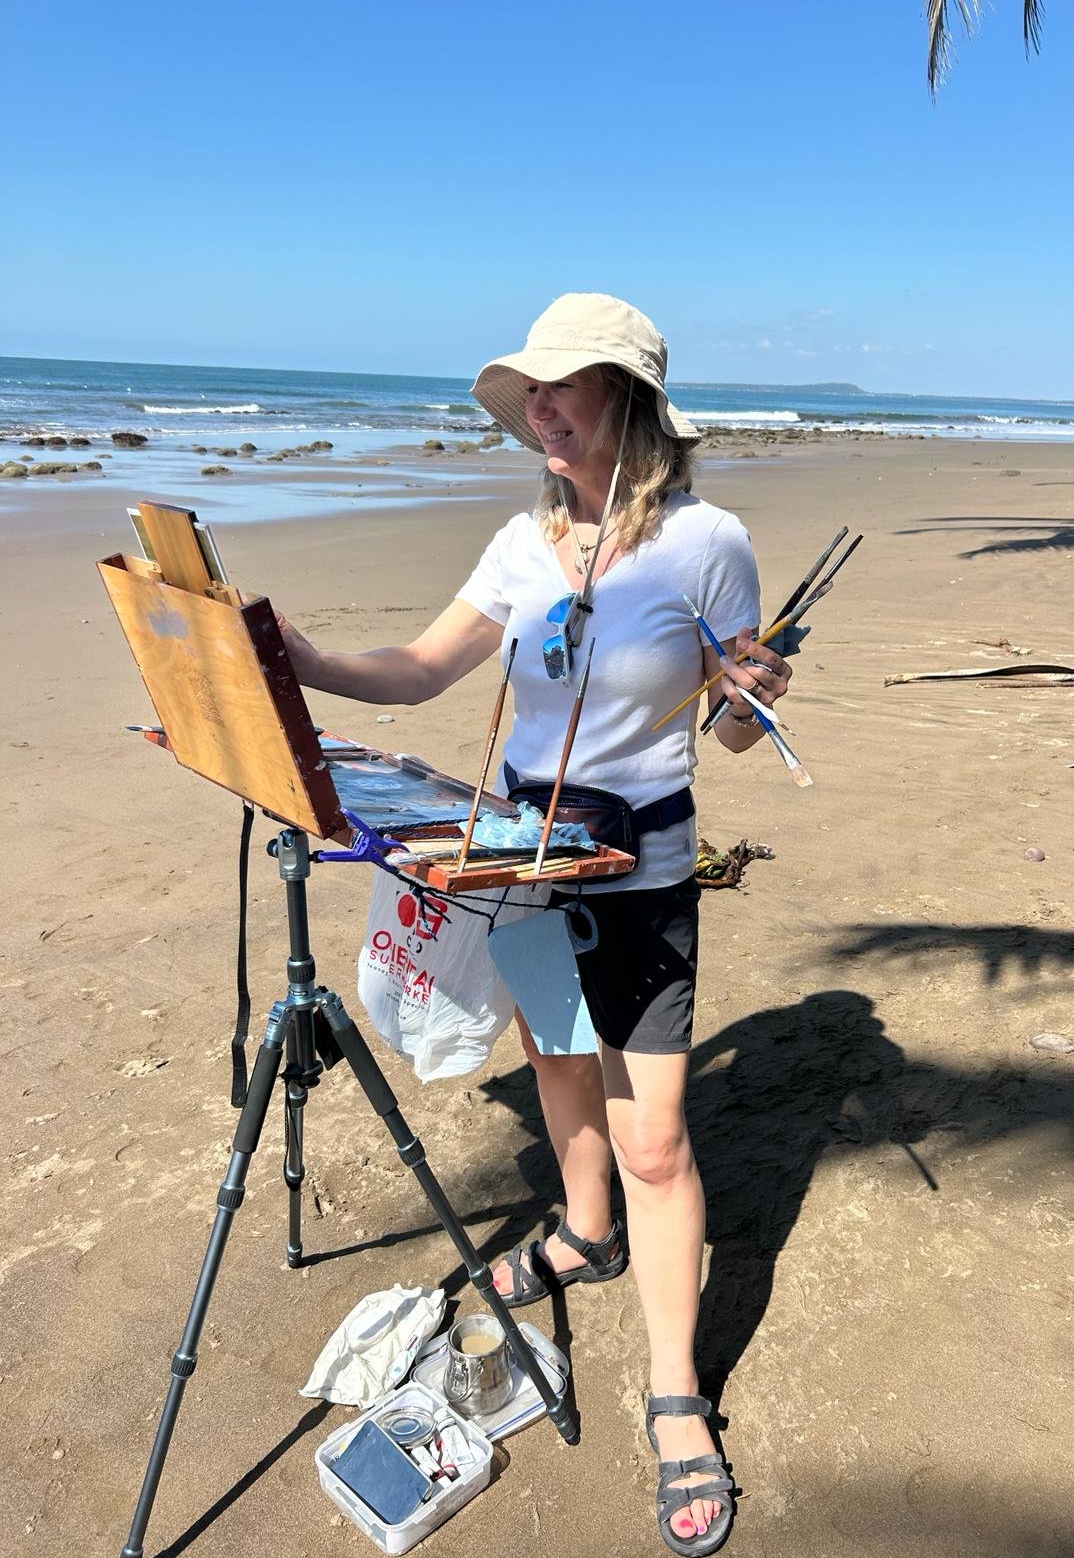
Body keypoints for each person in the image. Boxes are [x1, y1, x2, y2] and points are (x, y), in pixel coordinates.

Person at [278, 293, 791, 1555]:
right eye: (531, 392)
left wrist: (750, 695)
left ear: (630, 399)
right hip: (521, 861)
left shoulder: (708, 543)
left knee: (655, 1141)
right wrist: (301, 656)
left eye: (565, 384)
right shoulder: (520, 543)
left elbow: (733, 729)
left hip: (640, 872)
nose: (541, 407)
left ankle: (676, 1392)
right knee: (557, 1062)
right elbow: (420, 669)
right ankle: (583, 1231)